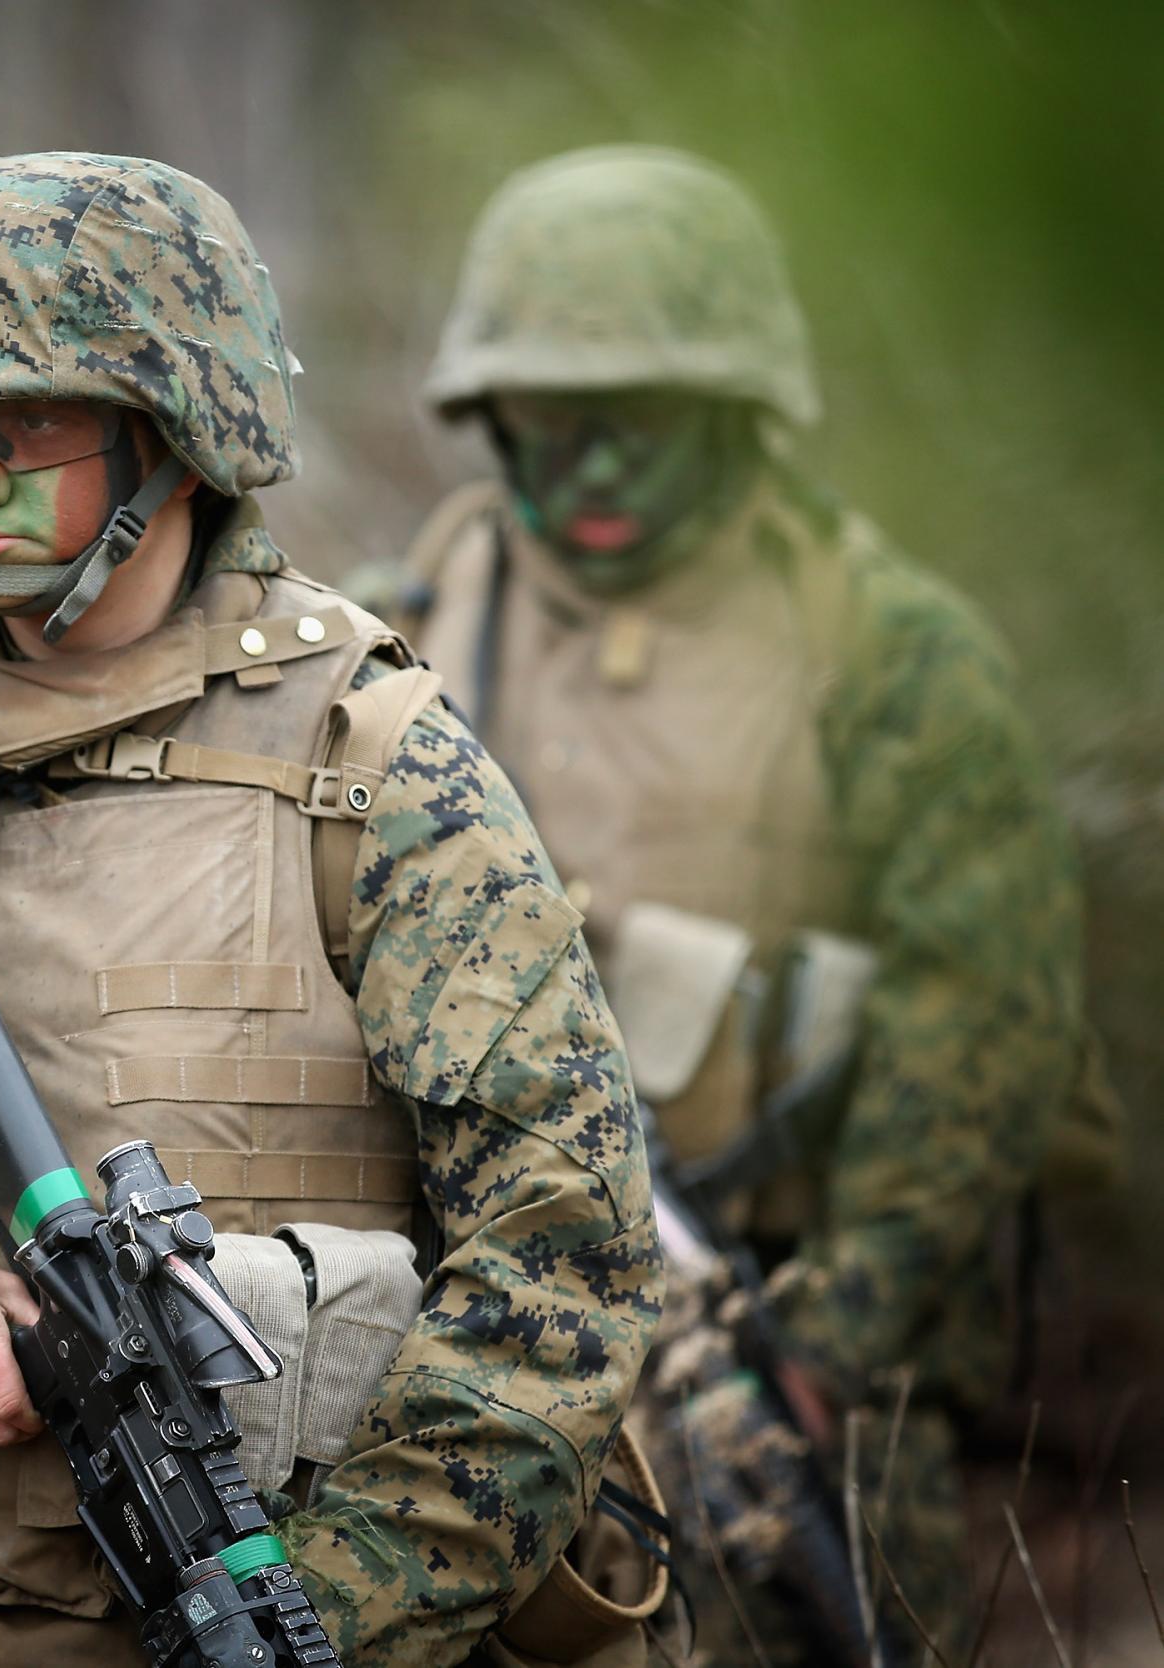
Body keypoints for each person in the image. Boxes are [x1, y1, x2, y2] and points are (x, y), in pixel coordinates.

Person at [0, 152, 663, 1668]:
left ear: (178, 434)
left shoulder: (373, 771)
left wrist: (320, 1611)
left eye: (23, 423)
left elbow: (566, 1269)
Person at [378, 145, 1096, 1665]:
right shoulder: (399, 642)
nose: (592, 478)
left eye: (641, 432)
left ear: (740, 415)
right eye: (547, 431)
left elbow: (987, 1020)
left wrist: (837, 1339)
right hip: (481, 1333)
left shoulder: (890, 652)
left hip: (801, 1339)